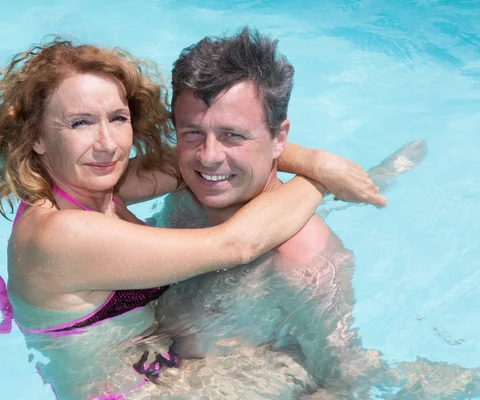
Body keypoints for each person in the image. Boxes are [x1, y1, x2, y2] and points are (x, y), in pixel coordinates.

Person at [0, 39, 383, 399]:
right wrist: (320, 180)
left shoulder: (91, 186)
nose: (106, 144)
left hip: (158, 372)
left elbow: (202, 157)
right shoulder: (61, 232)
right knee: (324, 374)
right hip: (129, 393)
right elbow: (236, 245)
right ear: (37, 136)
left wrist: (313, 159)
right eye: (80, 123)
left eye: (117, 119)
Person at [142, 28, 426, 399]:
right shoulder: (184, 193)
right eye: (192, 132)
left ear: (280, 138)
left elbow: (345, 377)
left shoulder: (301, 261)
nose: (208, 157)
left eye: (232, 135)